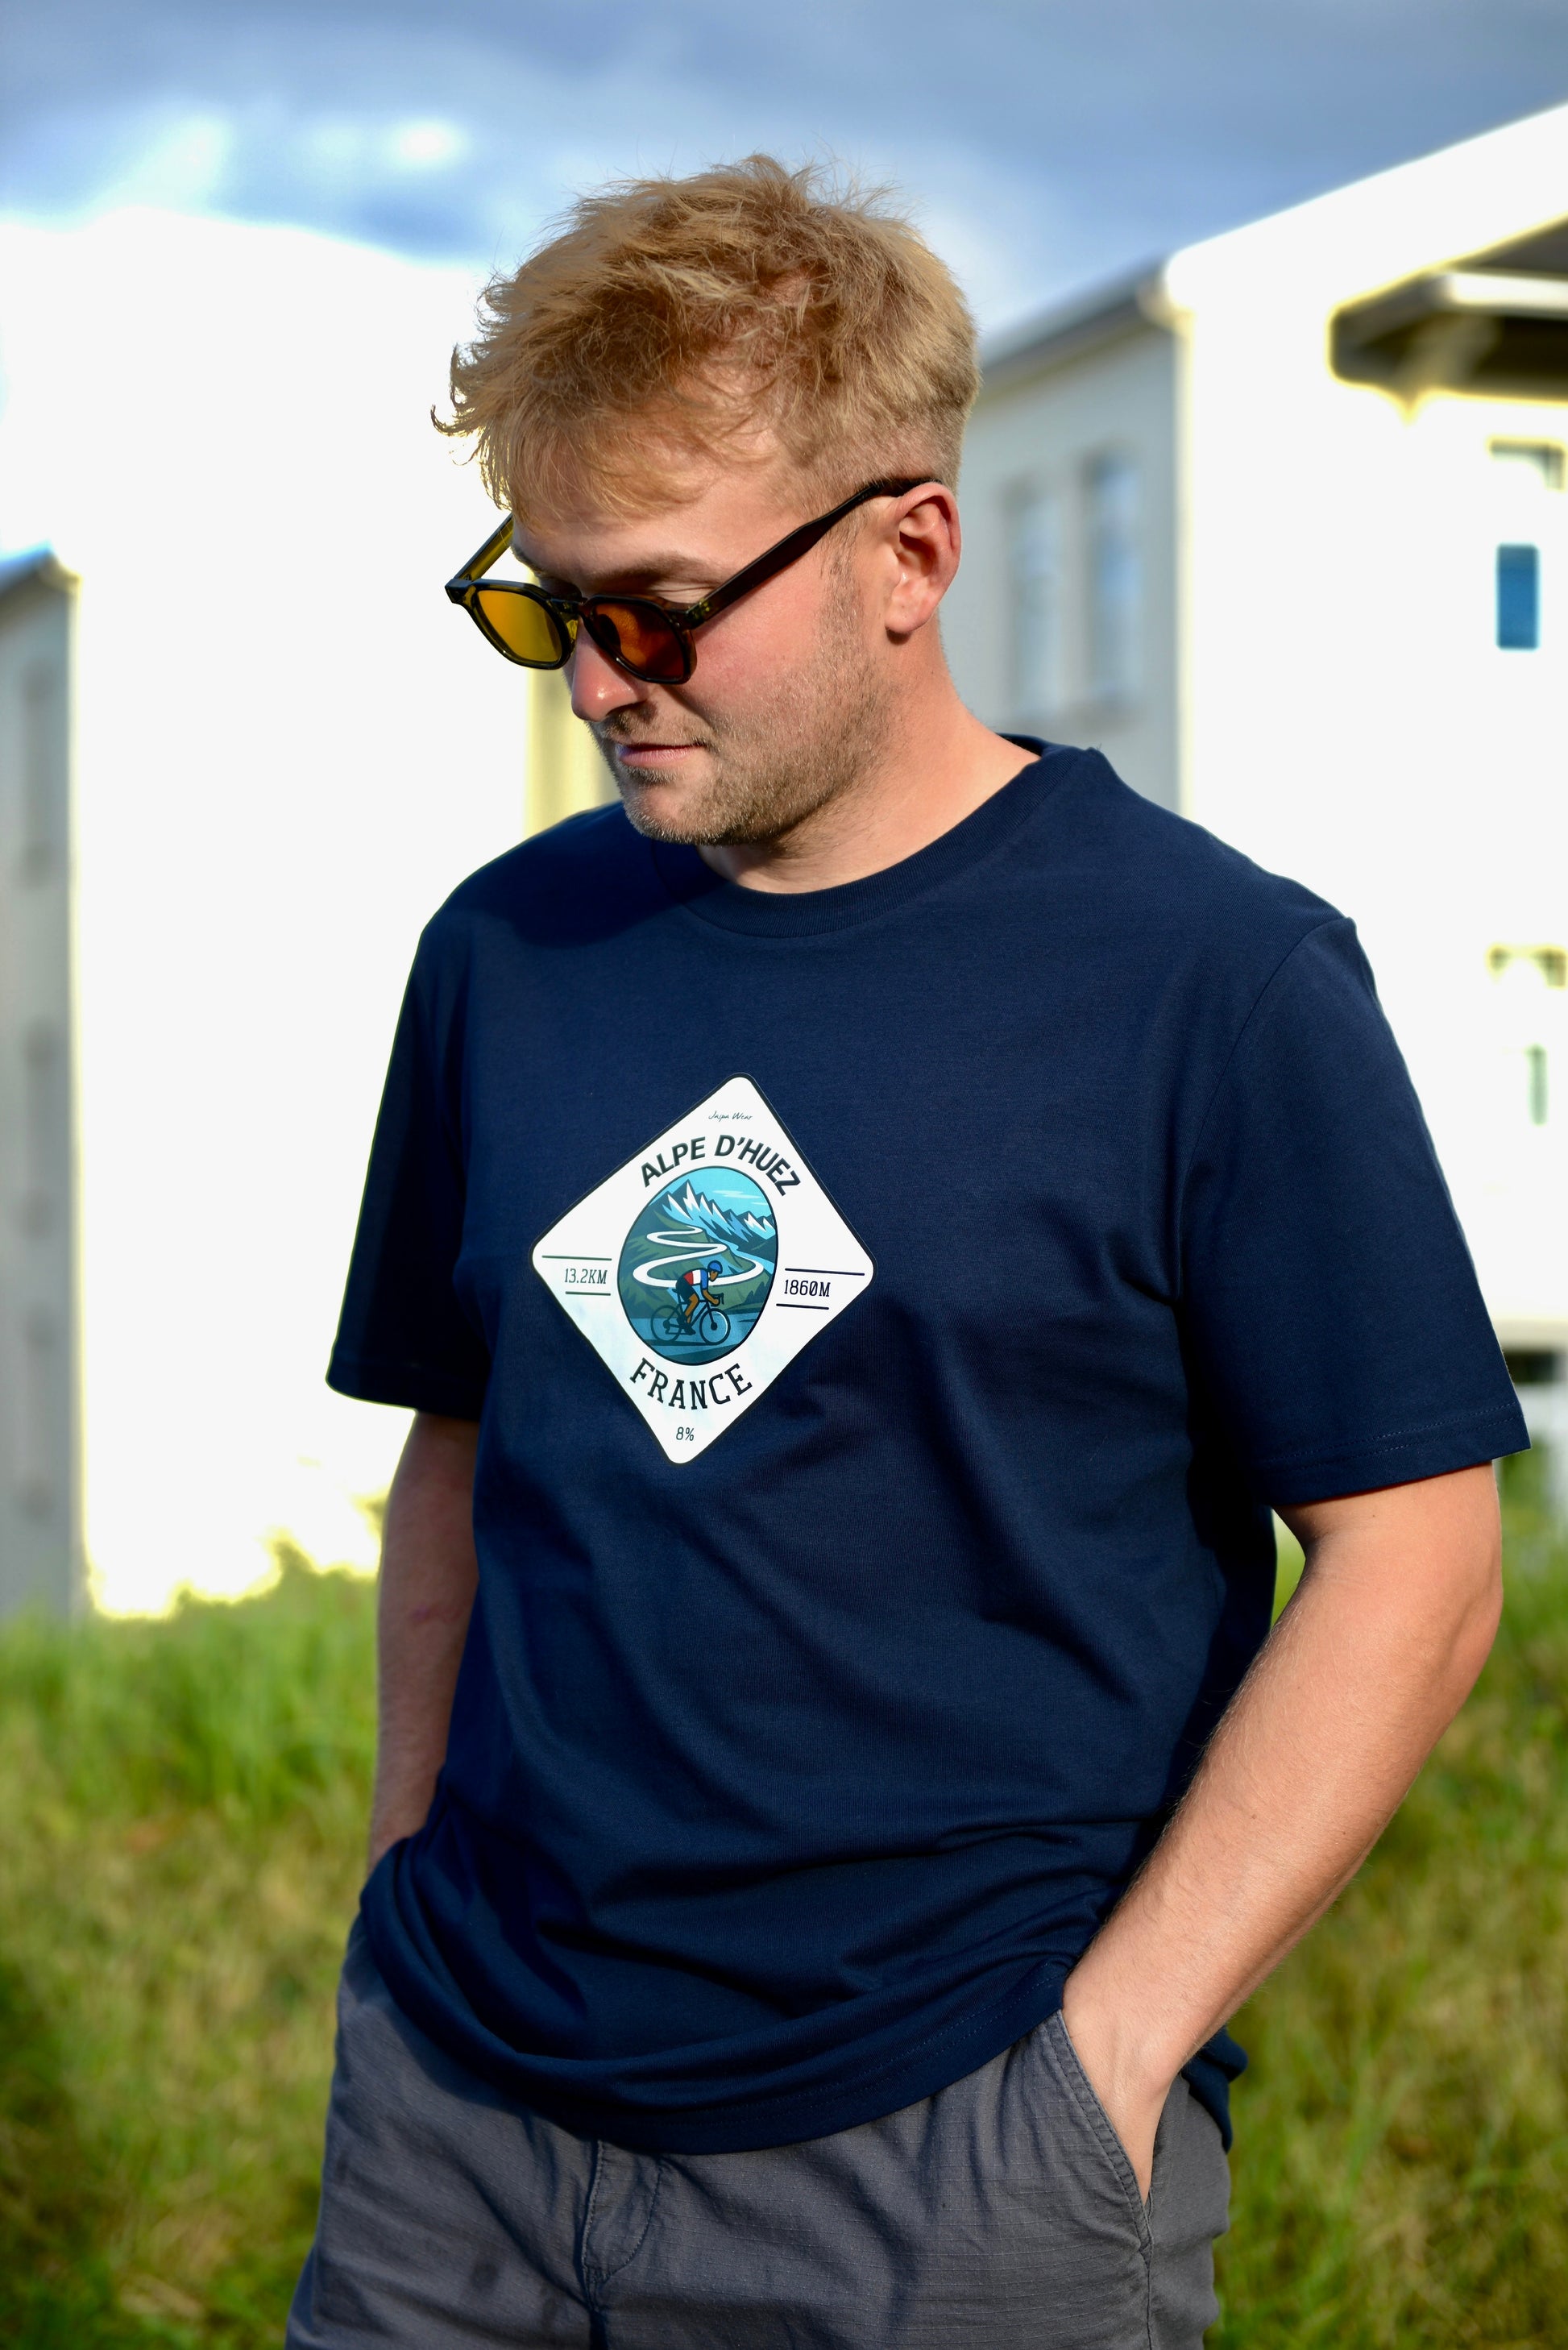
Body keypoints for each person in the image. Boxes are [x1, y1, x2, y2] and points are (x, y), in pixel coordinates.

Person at [288, 157, 1526, 2349]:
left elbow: (1415, 1563)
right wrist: (401, 1892)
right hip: (455, 2142)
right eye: (550, 606)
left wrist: (1100, 2072)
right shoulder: (508, 950)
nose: (597, 681)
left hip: (942, 2167)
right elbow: (462, 1449)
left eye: (660, 608)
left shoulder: (1210, 981)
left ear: (911, 552)